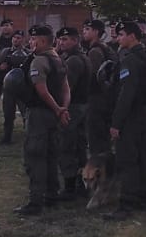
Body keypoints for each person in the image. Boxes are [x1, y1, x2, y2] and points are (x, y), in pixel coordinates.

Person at [14, 25, 70, 216]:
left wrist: (57, 108)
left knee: (35, 156)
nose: (30, 42)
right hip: (54, 115)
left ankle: (35, 201)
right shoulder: (58, 59)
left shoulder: (39, 61)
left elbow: (41, 90)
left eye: (33, 39)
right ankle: (52, 195)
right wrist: (63, 109)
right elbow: (66, 88)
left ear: (42, 41)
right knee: (51, 156)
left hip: (40, 113)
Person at [102, 22, 146, 221]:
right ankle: (143, 199)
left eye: (121, 35)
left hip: (131, 116)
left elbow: (127, 93)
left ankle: (126, 204)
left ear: (132, 36)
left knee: (127, 160)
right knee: (142, 158)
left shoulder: (131, 60)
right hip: (142, 113)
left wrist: (116, 122)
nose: (118, 39)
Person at [56, 26, 90, 199]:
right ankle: (82, 184)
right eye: (60, 39)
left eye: (66, 39)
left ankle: (70, 187)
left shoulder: (73, 61)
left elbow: (66, 87)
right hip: (82, 106)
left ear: (75, 41)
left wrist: (61, 108)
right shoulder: (79, 57)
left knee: (67, 145)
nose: (62, 42)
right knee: (79, 146)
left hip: (73, 106)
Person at [81, 20, 115, 159]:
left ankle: (98, 168)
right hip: (106, 97)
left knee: (96, 137)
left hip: (96, 98)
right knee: (104, 137)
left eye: (87, 29)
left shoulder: (95, 51)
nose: (84, 31)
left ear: (96, 32)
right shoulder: (106, 48)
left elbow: (93, 76)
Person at [0, 30, 29, 144]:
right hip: (8, 87)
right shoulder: (5, 52)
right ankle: (7, 137)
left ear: (23, 39)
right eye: (14, 37)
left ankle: (29, 136)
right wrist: (2, 67)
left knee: (26, 112)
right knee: (8, 113)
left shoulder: (28, 53)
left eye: (19, 38)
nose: (16, 39)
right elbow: (0, 67)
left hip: (22, 88)